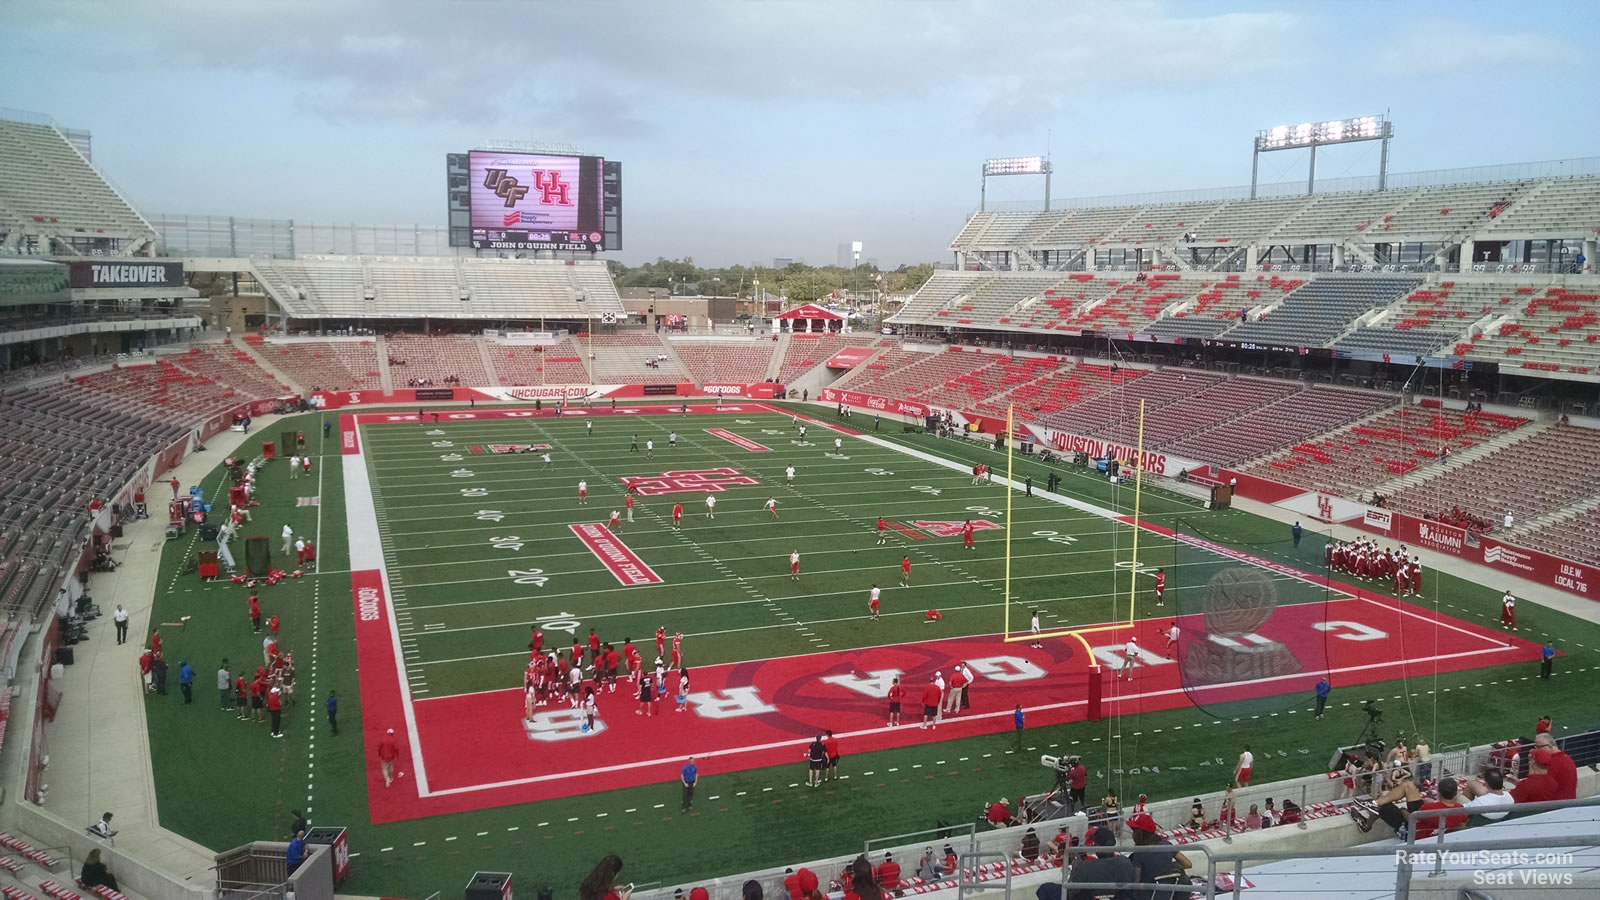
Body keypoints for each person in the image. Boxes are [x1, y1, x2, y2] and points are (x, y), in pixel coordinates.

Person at [1128, 811, 1189, 897]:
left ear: (1139, 834)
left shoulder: (1139, 853)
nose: (1132, 834)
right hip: (1167, 895)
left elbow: (1136, 882)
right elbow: (1187, 864)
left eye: (1134, 831)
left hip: (1146, 895)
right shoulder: (1167, 845)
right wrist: (1167, 867)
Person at [1065, 829, 1137, 900]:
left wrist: (1073, 872)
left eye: (1095, 844)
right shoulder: (1126, 862)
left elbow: (1070, 893)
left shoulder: (1085, 867)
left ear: (1098, 845)